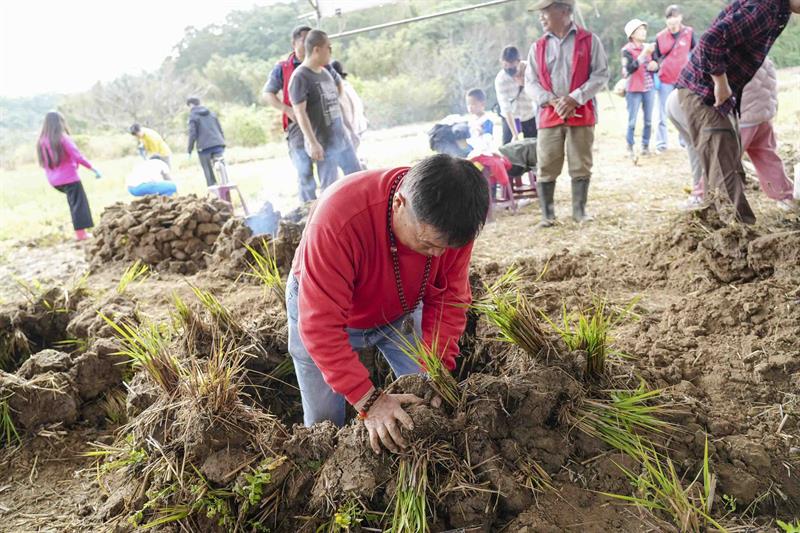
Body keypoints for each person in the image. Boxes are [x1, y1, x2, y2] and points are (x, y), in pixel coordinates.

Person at [287, 154, 489, 453]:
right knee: (323, 428)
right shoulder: (339, 218)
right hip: (322, 314)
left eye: (446, 248)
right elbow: (321, 327)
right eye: (429, 244)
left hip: (399, 312)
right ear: (399, 204)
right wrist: (369, 401)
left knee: (427, 396)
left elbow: (450, 298)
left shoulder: (452, 226)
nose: (437, 256)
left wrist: (439, 368)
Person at [676, 0, 800, 225]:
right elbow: (711, 41)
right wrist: (721, 84)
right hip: (703, 93)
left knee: (725, 163)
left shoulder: (779, 12)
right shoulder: (767, 8)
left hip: (715, 97)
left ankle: (715, 227)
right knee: (724, 167)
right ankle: (740, 234)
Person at [525, 0, 609, 227]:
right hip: (549, 114)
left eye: (545, 11)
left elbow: (601, 75)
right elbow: (530, 83)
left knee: (581, 162)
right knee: (546, 164)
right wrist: (551, 100)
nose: (541, 17)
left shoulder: (589, 40)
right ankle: (547, 215)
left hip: (581, 112)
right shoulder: (537, 46)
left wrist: (575, 98)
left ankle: (579, 211)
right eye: (540, 12)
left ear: (564, 11)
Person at [675, 58, 797, 211]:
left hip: (743, 120)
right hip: (763, 118)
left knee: (721, 159)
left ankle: (700, 195)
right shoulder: (763, 57)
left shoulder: (735, 60)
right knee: (767, 157)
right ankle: (785, 196)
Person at [263, 26, 347, 202]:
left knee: (328, 172)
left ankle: (327, 207)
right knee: (304, 173)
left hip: (322, 126)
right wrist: (287, 110)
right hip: (296, 128)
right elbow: (268, 94)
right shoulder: (284, 68)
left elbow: (339, 83)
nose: (309, 42)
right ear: (294, 43)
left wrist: (332, 103)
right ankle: (307, 211)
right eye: (304, 39)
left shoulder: (323, 66)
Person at [288, 30, 361, 197]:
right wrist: (313, 142)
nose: (330, 52)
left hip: (341, 138)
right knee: (331, 189)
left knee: (357, 178)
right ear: (316, 50)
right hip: (323, 142)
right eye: (328, 48)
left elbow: (336, 103)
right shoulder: (300, 77)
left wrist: (348, 130)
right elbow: (300, 113)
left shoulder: (325, 73)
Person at [37, 111, 101, 241]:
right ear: (60, 123)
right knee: (79, 204)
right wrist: (93, 168)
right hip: (70, 179)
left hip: (54, 181)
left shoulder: (41, 141)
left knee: (74, 203)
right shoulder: (62, 137)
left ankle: (80, 232)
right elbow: (77, 155)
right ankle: (81, 234)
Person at [653, 5, 696, 153]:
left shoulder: (689, 33)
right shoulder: (660, 37)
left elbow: (695, 52)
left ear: (680, 18)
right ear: (666, 21)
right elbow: (655, 58)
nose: (672, 22)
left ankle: (685, 141)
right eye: (669, 19)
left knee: (685, 111)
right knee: (662, 112)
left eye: (675, 18)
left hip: (684, 80)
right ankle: (661, 144)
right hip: (665, 78)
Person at [621, 19, 659, 159]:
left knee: (648, 120)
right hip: (633, 88)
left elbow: (655, 64)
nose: (643, 32)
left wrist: (655, 66)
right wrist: (643, 54)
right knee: (632, 120)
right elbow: (628, 69)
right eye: (640, 30)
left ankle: (645, 146)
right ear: (632, 34)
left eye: (644, 29)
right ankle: (630, 146)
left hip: (649, 87)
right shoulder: (627, 50)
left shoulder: (649, 47)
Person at [465, 88, 512, 191]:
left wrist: (481, 132)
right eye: (468, 104)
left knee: (487, 167)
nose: (470, 107)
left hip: (487, 151)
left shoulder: (487, 120)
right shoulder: (471, 120)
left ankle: (491, 191)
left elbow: (488, 138)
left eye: (473, 104)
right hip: (475, 151)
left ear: (482, 104)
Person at [494, 45, 537, 145]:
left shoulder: (529, 69)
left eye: (512, 65)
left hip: (529, 113)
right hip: (510, 117)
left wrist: (524, 83)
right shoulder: (501, 79)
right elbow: (506, 107)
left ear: (518, 61)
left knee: (533, 146)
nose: (509, 68)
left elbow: (538, 94)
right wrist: (515, 134)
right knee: (508, 146)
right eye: (505, 66)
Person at [186, 97, 225, 187]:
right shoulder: (212, 113)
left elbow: (192, 134)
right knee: (221, 169)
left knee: (208, 171)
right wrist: (222, 141)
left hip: (204, 148)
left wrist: (190, 149)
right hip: (218, 144)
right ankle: (225, 186)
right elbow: (219, 128)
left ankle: (213, 188)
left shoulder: (193, 116)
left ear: (191, 105)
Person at [331, 60, 368, 152]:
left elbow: (343, 112)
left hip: (351, 131)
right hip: (359, 128)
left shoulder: (338, 90)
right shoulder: (348, 87)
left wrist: (351, 132)